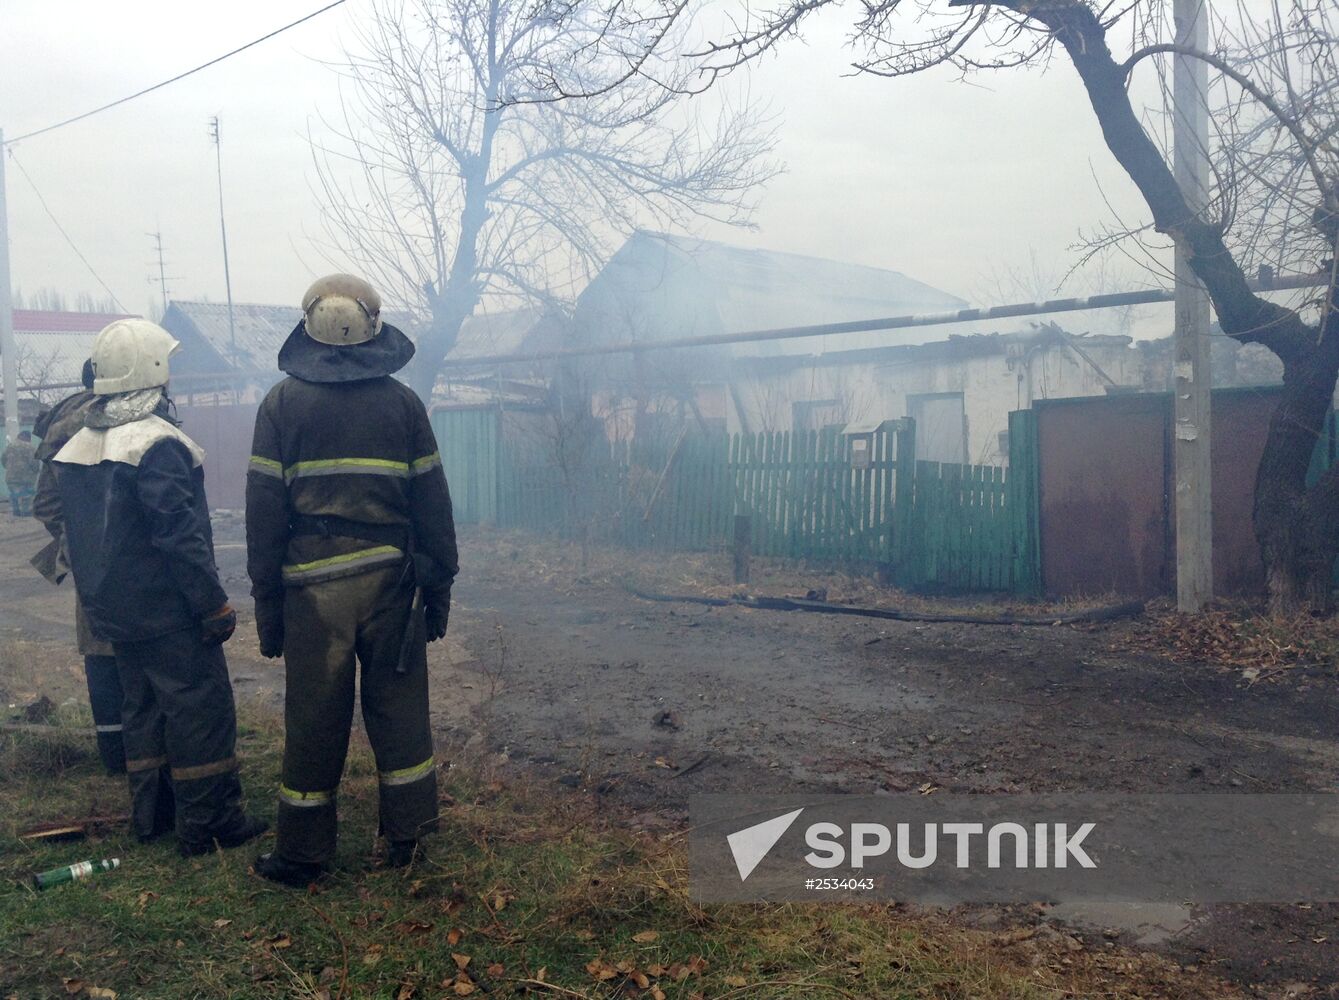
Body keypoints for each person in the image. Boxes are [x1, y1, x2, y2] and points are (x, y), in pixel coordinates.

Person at [246, 274, 457, 888]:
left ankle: (304, 856)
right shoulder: (404, 404)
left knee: (313, 719)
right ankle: (408, 839)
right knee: (400, 713)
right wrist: (438, 587)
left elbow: (263, 517)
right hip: (394, 584)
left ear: (309, 324)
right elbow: (432, 506)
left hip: (312, 595)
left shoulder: (280, 405)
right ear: (373, 326)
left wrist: (268, 604)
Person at [51, 319, 267, 855]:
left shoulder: (78, 446)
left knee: (142, 711)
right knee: (200, 711)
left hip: (113, 613)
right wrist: (212, 603)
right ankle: (209, 824)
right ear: (153, 370)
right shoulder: (157, 444)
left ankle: (153, 819)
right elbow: (178, 535)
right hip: (169, 613)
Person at [30, 360, 126, 774]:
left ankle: (114, 759)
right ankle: (142, 757)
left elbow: (44, 504)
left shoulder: (63, 426)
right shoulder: (130, 420)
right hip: (135, 567)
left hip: (90, 568)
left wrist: (80, 542)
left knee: (100, 652)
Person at [2, 429, 40, 517]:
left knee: (14, 494)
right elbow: (34, 462)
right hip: (26, 477)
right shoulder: (30, 447)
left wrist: (9, 468)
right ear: (26, 438)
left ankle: (16, 512)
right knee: (26, 494)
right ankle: (25, 512)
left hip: (11, 477)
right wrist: (36, 471)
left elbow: (3, 460)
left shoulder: (10, 446)